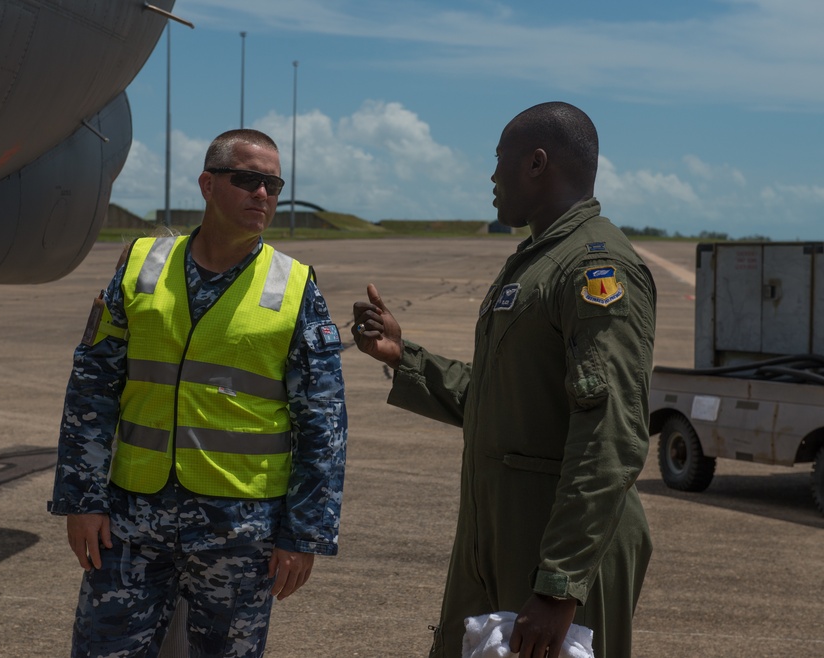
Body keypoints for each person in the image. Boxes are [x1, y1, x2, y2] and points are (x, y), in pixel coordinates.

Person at [352, 102, 655, 658]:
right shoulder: (538, 260)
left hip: (557, 549)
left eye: (500, 161)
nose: (492, 177)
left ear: (537, 163)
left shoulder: (594, 268)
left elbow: (610, 434)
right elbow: (502, 398)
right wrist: (404, 356)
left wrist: (560, 584)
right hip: (502, 535)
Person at [49, 128, 347, 658]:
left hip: (241, 531)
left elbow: (323, 424)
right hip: (130, 523)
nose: (263, 194)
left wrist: (304, 535)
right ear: (208, 184)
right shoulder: (143, 268)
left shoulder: (294, 287)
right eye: (248, 180)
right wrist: (81, 500)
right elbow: (92, 390)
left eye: (273, 185)